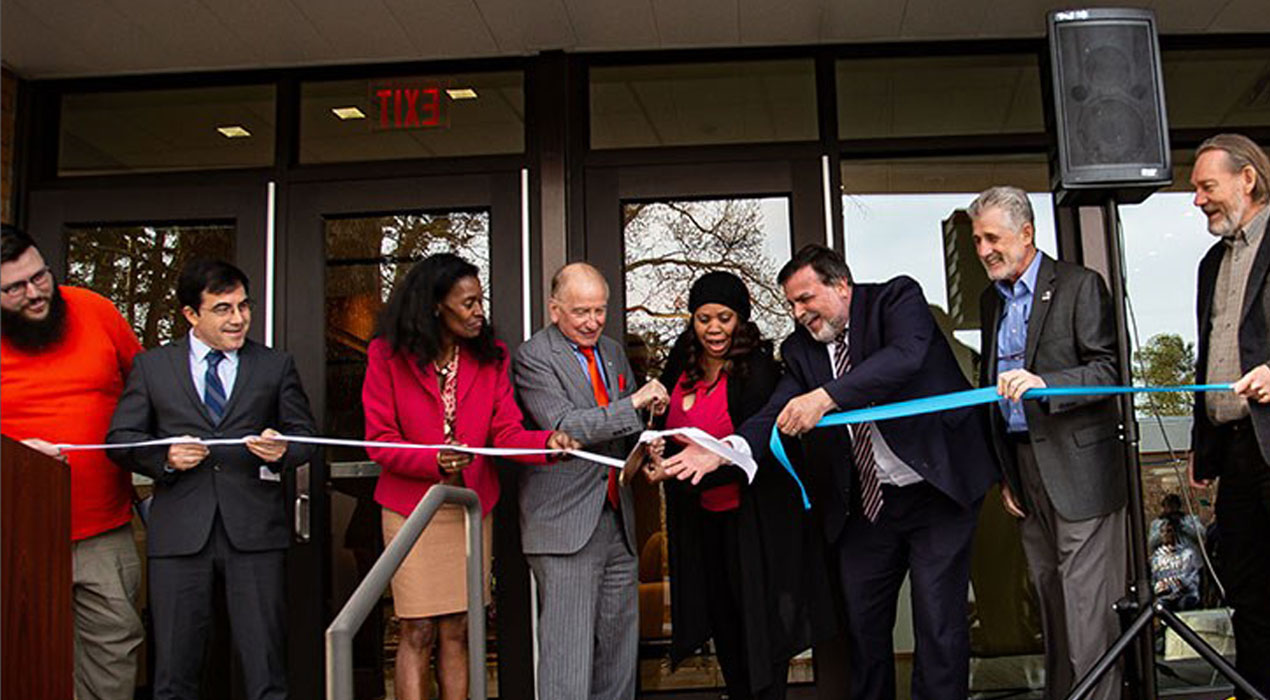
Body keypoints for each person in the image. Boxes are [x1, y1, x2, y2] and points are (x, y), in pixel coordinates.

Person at [665, 244, 997, 700]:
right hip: (869, 506)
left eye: (806, 299)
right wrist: (726, 452)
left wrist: (825, 397)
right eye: (791, 304)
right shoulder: (801, 350)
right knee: (862, 626)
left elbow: (905, 357)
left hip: (937, 490)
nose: (799, 313)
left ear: (841, 286)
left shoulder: (896, 300)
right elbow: (776, 410)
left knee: (938, 624)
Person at [360, 253, 579, 700]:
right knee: (417, 630)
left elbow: (505, 431)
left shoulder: (491, 356)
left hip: (471, 510)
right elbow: (379, 440)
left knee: (458, 629)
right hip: (411, 512)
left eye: (480, 300)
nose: (480, 310)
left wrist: (547, 444)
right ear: (435, 305)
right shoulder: (387, 355)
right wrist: (434, 461)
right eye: (468, 302)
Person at [107, 259, 317, 700]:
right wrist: (164, 457)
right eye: (222, 308)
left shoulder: (274, 365)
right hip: (180, 534)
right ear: (190, 315)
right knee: (174, 673)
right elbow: (121, 441)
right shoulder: (152, 367)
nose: (238, 318)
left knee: (265, 669)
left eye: (243, 306)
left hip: (255, 534)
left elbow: (306, 439)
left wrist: (283, 451)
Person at [644, 271, 834, 700]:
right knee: (725, 628)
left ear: (741, 319)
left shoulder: (760, 369)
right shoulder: (680, 364)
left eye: (724, 318)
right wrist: (656, 456)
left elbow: (760, 445)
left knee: (761, 636)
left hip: (756, 525)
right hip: (702, 522)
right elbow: (664, 428)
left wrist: (688, 468)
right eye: (704, 318)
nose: (714, 329)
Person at [968, 186, 1126, 700]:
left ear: (1027, 233)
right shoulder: (989, 302)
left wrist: (1046, 383)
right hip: (1023, 470)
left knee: (1085, 610)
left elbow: (1107, 370)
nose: (984, 249)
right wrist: (1007, 475)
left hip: (1078, 468)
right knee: (1051, 604)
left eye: (993, 237)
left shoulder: (1080, 285)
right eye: (976, 240)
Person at [512, 262, 669, 700]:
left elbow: (627, 425)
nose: (593, 322)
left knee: (619, 654)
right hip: (565, 526)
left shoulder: (614, 352)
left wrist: (650, 442)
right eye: (581, 311)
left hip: (617, 518)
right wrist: (635, 401)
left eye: (600, 311)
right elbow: (564, 423)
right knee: (568, 658)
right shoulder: (533, 357)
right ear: (554, 308)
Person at [0, 225, 145, 700]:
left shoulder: (96, 310)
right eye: (15, 287)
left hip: (104, 528)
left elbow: (148, 392)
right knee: (19, 657)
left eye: (40, 276)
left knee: (115, 648)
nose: (36, 293)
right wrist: (17, 459)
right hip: (13, 535)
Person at [1188, 132, 1270, 698]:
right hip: (1235, 450)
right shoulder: (1210, 264)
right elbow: (1208, 347)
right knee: (1248, 589)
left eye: (1206, 186)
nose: (1197, 200)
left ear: (1248, 178)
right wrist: (1202, 441)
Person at [1151, 515, 1202, 612]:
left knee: (1185, 604)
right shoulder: (1156, 558)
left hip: (1185, 596)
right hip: (1164, 597)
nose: (1166, 534)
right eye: (1163, 532)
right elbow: (1155, 581)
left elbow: (1190, 581)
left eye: (1169, 531)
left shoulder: (1187, 554)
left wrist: (1171, 586)